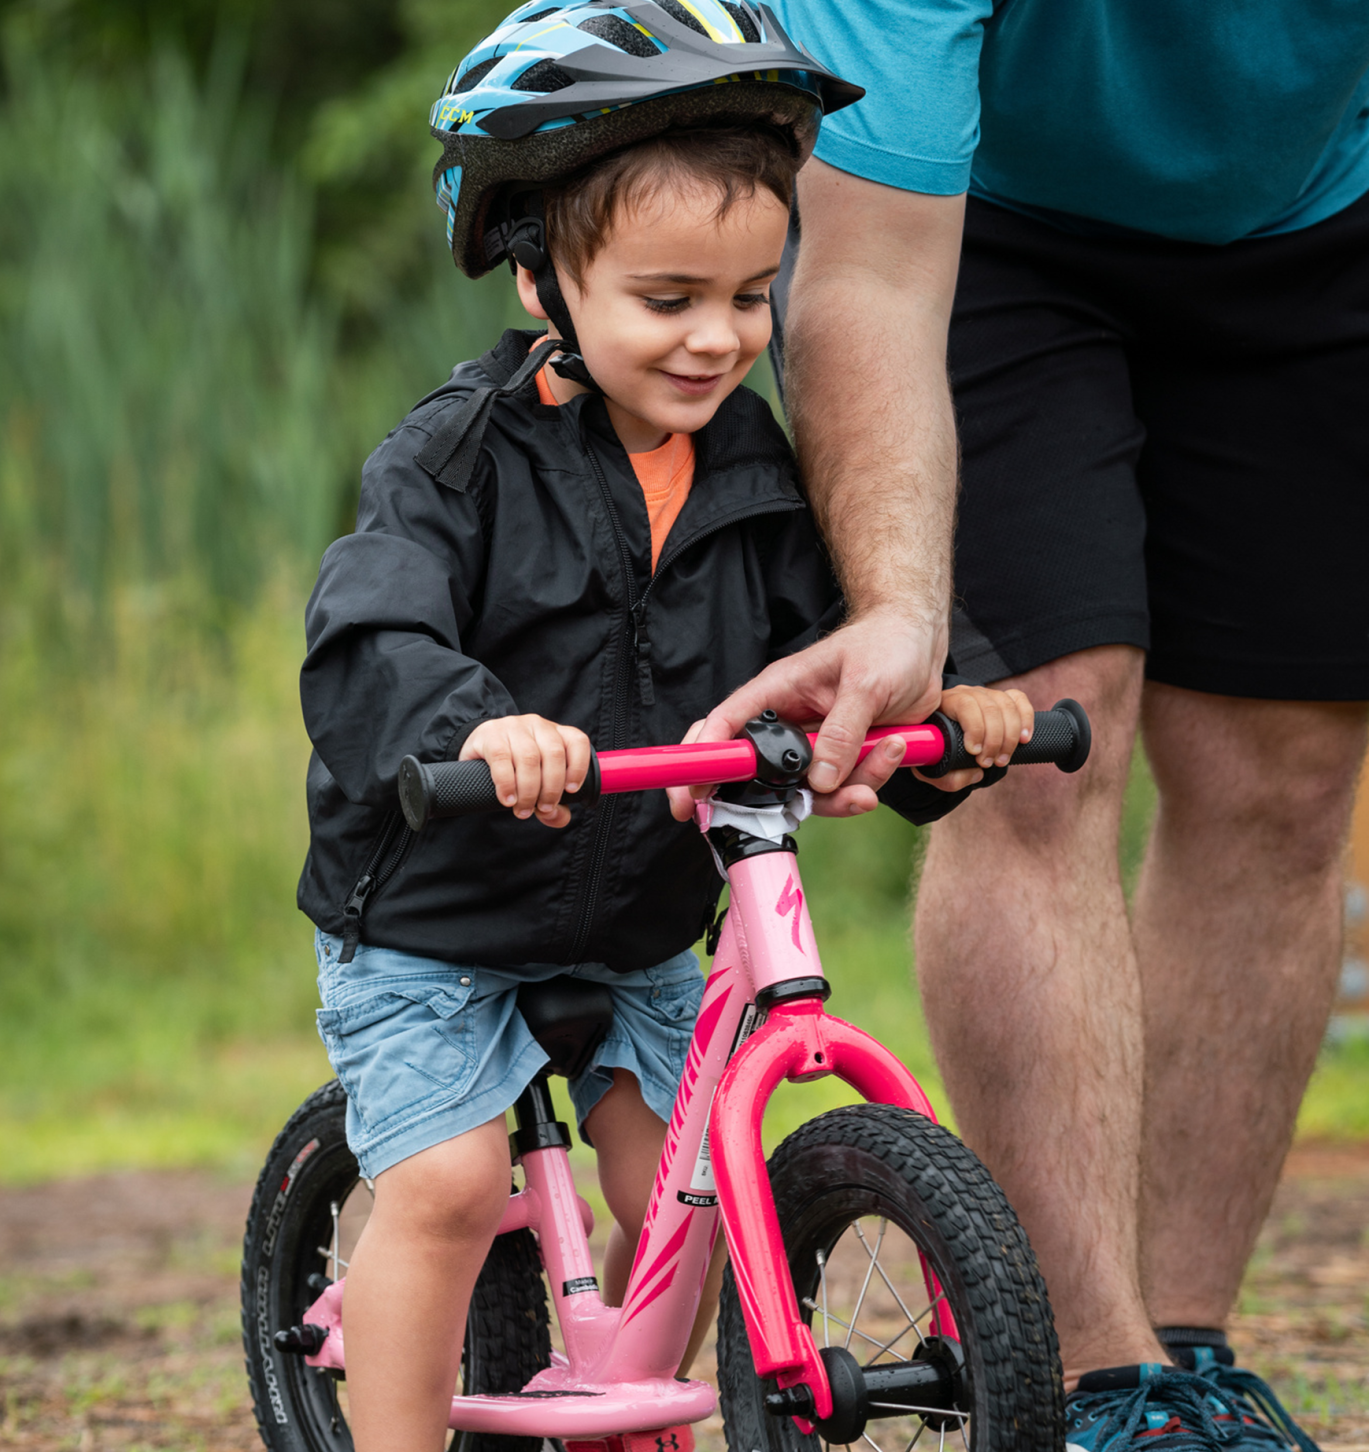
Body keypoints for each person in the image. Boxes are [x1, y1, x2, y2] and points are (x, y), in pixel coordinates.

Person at [296, 7, 1032, 1451]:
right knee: (447, 1188)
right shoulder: (454, 460)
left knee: (682, 1197)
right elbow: (368, 640)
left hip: (636, 914)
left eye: (752, 297)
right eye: (668, 297)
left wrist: (954, 699)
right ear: (541, 279)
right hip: (439, 917)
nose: (718, 338)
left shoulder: (752, 461)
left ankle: (622, 1410)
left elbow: (839, 627)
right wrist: (486, 729)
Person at [677, 0, 1369, 1447]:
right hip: (983, 220)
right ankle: (1093, 1380)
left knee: (1289, 770)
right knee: (1033, 743)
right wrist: (900, 610)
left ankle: (1184, 1373)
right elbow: (866, 273)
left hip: (1322, 211)